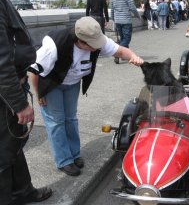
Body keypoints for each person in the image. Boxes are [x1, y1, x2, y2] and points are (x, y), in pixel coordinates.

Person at [29, 17, 144, 177]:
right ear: (80, 41)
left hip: (72, 83)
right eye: (92, 45)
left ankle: (74, 155)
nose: (96, 48)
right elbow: (34, 71)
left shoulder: (97, 42)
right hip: (51, 84)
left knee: (71, 118)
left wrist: (133, 56)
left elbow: (121, 51)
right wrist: (38, 93)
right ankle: (63, 160)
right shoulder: (54, 46)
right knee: (56, 122)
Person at [0, 0, 53, 204]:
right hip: (5, 95)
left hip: (10, 88)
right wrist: (19, 104)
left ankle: (23, 191)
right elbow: (1, 62)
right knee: (3, 154)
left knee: (14, 143)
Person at [111, 0, 141, 64]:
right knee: (126, 39)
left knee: (122, 38)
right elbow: (133, 8)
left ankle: (124, 55)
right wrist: (138, 16)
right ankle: (117, 54)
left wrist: (114, 19)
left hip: (117, 21)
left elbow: (112, 10)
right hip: (126, 20)